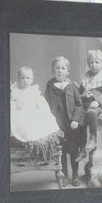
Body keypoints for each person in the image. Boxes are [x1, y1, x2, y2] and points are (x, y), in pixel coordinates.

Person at [44, 56, 83, 186]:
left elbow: (79, 104)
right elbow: (45, 105)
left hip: (71, 123)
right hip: (56, 124)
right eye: (57, 68)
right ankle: (63, 175)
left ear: (68, 71)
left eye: (63, 68)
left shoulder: (72, 86)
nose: (60, 71)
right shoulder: (50, 86)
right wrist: (49, 120)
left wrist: (75, 119)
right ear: (52, 70)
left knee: (73, 149)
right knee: (59, 150)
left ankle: (75, 175)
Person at [75, 50, 102, 162]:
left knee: (91, 112)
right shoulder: (86, 76)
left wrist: (98, 101)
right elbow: (82, 91)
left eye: (97, 62)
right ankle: (82, 150)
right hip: (85, 104)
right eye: (91, 62)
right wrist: (79, 90)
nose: (94, 65)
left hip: (98, 106)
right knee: (79, 121)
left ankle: (93, 138)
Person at [10, 66, 60, 143]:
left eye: (27, 78)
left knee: (39, 121)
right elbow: (12, 104)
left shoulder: (33, 91)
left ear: (32, 80)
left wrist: (40, 109)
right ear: (18, 79)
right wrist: (16, 107)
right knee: (20, 123)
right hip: (21, 112)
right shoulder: (16, 91)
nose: (25, 80)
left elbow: (41, 104)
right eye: (22, 78)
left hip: (32, 111)